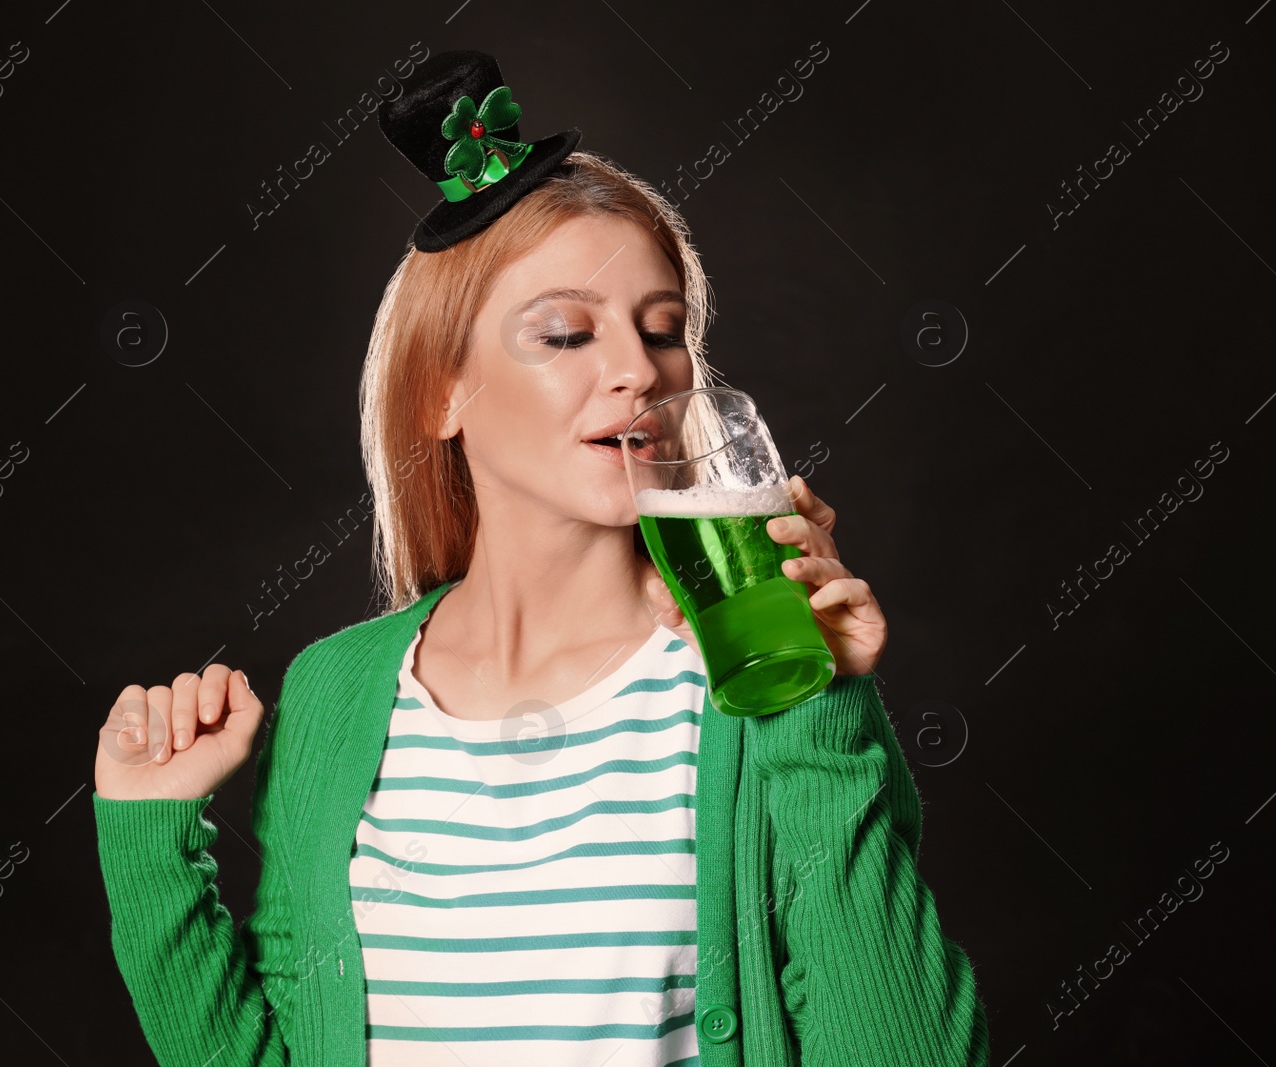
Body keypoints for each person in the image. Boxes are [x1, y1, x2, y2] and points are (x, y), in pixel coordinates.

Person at [92, 49, 989, 1067]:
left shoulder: (745, 677)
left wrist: (811, 699)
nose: (636, 369)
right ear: (442, 393)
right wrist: (147, 833)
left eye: (665, 330)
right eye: (565, 332)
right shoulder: (333, 692)